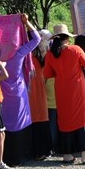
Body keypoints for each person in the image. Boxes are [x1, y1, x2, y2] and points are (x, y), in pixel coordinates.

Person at [0, 15, 40, 166]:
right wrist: (27, 23)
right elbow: (36, 39)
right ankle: (17, 157)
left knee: (2, 128)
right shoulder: (19, 53)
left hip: (1, 95)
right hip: (18, 92)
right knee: (18, 125)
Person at [43, 23, 85, 165]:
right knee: (82, 118)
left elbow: (47, 73)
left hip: (61, 90)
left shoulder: (50, 54)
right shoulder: (76, 49)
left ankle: (67, 154)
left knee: (64, 120)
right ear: (68, 37)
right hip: (78, 90)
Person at [29, 29, 54, 160]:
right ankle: (46, 149)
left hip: (31, 89)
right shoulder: (45, 55)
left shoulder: (29, 55)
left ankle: (36, 150)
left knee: (34, 119)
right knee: (43, 118)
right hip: (42, 88)